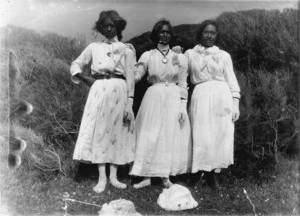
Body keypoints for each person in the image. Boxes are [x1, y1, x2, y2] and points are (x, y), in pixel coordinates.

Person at [70, 10, 136, 193]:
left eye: (112, 25)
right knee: (99, 129)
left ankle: (114, 177)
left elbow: (130, 78)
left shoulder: (127, 49)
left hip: (119, 89)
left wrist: (129, 103)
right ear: (100, 27)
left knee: (117, 130)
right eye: (105, 25)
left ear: (118, 27)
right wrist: (85, 78)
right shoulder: (93, 47)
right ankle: (102, 177)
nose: (109, 28)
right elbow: (75, 64)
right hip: (99, 89)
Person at [130, 19, 191, 189]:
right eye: (161, 31)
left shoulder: (179, 57)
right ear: (156, 34)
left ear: (171, 35)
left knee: (168, 135)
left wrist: (182, 105)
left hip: (172, 95)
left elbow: (183, 82)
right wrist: (128, 64)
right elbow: (137, 75)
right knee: (150, 135)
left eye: (167, 32)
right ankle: (147, 176)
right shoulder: (148, 55)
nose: (164, 34)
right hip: (154, 97)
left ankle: (165, 177)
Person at [184, 20, 240, 188]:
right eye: (206, 32)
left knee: (219, 135)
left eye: (213, 32)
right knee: (201, 135)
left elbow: (232, 80)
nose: (209, 35)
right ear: (200, 34)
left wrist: (235, 103)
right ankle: (198, 172)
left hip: (222, 96)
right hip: (201, 95)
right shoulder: (190, 54)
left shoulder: (223, 56)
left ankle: (212, 175)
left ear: (217, 35)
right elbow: (180, 74)